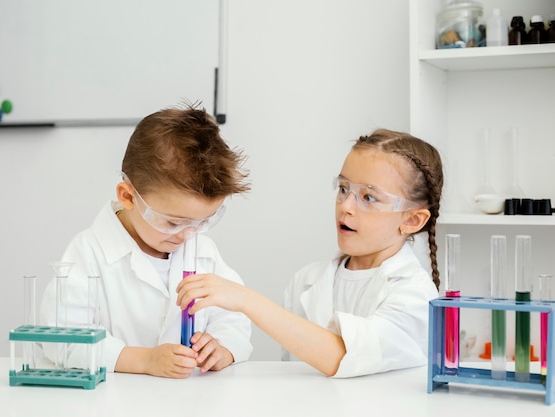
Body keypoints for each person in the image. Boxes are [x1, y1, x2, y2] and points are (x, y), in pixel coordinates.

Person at [177, 128, 443, 378]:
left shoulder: (416, 296)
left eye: (368, 197)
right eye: (342, 189)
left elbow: (342, 357)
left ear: (412, 220)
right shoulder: (307, 280)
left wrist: (246, 300)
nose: (346, 206)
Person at [39, 102, 253, 379]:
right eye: (173, 222)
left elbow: (234, 316)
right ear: (127, 196)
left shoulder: (203, 251)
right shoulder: (88, 252)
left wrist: (223, 347)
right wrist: (143, 360)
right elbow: (61, 339)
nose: (188, 234)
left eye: (202, 222)